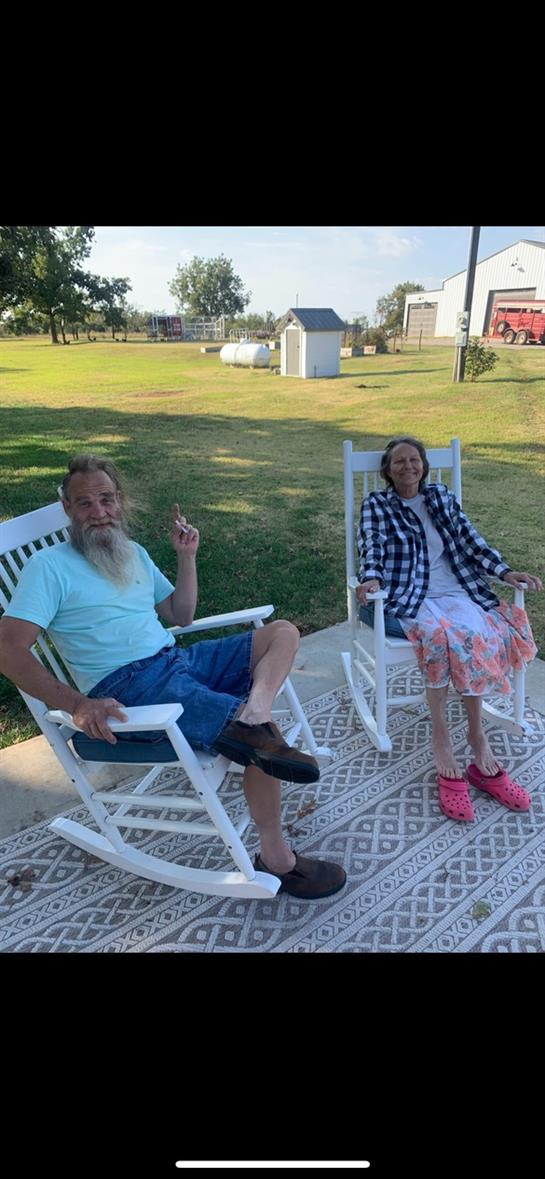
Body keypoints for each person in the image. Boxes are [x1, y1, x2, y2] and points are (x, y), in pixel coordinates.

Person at [0, 454, 346, 899]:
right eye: (85, 504)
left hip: (176, 661)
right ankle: (277, 860)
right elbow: (8, 649)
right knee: (264, 743)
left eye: (106, 500)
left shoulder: (132, 553)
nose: (99, 512)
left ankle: (253, 714)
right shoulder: (48, 567)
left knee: (280, 633)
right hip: (129, 689)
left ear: (120, 502)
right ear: (68, 509)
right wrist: (78, 705)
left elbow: (180, 615)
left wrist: (187, 557)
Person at [356, 436, 542, 822]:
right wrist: (371, 579)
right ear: (388, 472)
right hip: (411, 594)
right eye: (398, 463)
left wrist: (505, 571)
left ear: (423, 465)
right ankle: (442, 740)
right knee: (440, 639)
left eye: (414, 460)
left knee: (475, 637)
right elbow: (370, 546)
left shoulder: (440, 497)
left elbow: (472, 541)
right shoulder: (378, 503)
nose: (408, 467)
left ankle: (477, 740)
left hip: (456, 588)